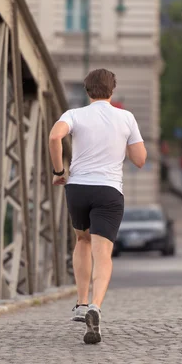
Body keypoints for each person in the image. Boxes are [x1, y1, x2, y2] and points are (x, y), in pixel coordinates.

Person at [48, 69, 147, 344]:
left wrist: (59, 171)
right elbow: (140, 159)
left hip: (78, 188)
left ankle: (80, 303)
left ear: (87, 90)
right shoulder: (125, 117)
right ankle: (95, 305)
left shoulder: (74, 115)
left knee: (82, 240)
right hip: (109, 189)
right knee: (103, 251)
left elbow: (55, 137)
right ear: (112, 90)